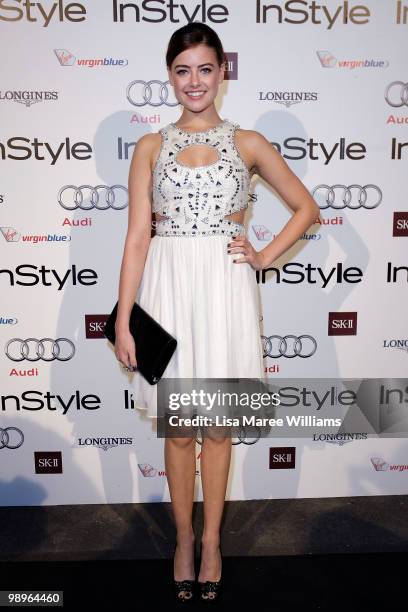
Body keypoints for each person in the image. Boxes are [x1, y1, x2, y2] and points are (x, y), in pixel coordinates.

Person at [114, 21, 319, 603]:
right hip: (168, 291)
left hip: (226, 290)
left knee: (220, 430)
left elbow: (306, 208)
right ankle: (182, 541)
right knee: (179, 431)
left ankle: (212, 543)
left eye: (205, 69)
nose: (194, 81)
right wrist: (126, 318)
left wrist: (261, 255)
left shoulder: (247, 142)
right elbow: (135, 239)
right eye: (183, 71)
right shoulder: (150, 146)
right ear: (170, 77)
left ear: (222, 73)